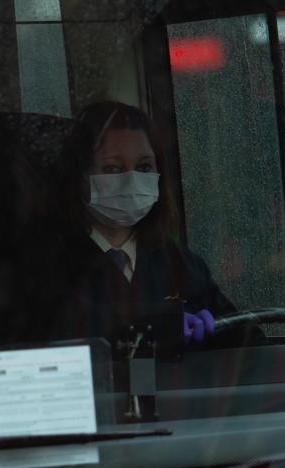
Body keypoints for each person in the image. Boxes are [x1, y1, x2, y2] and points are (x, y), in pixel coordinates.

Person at [45, 101, 241, 348]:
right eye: (113, 168)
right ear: (79, 175)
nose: (131, 180)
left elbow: (244, 339)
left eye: (144, 167)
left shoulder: (179, 263)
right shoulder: (47, 264)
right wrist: (154, 329)